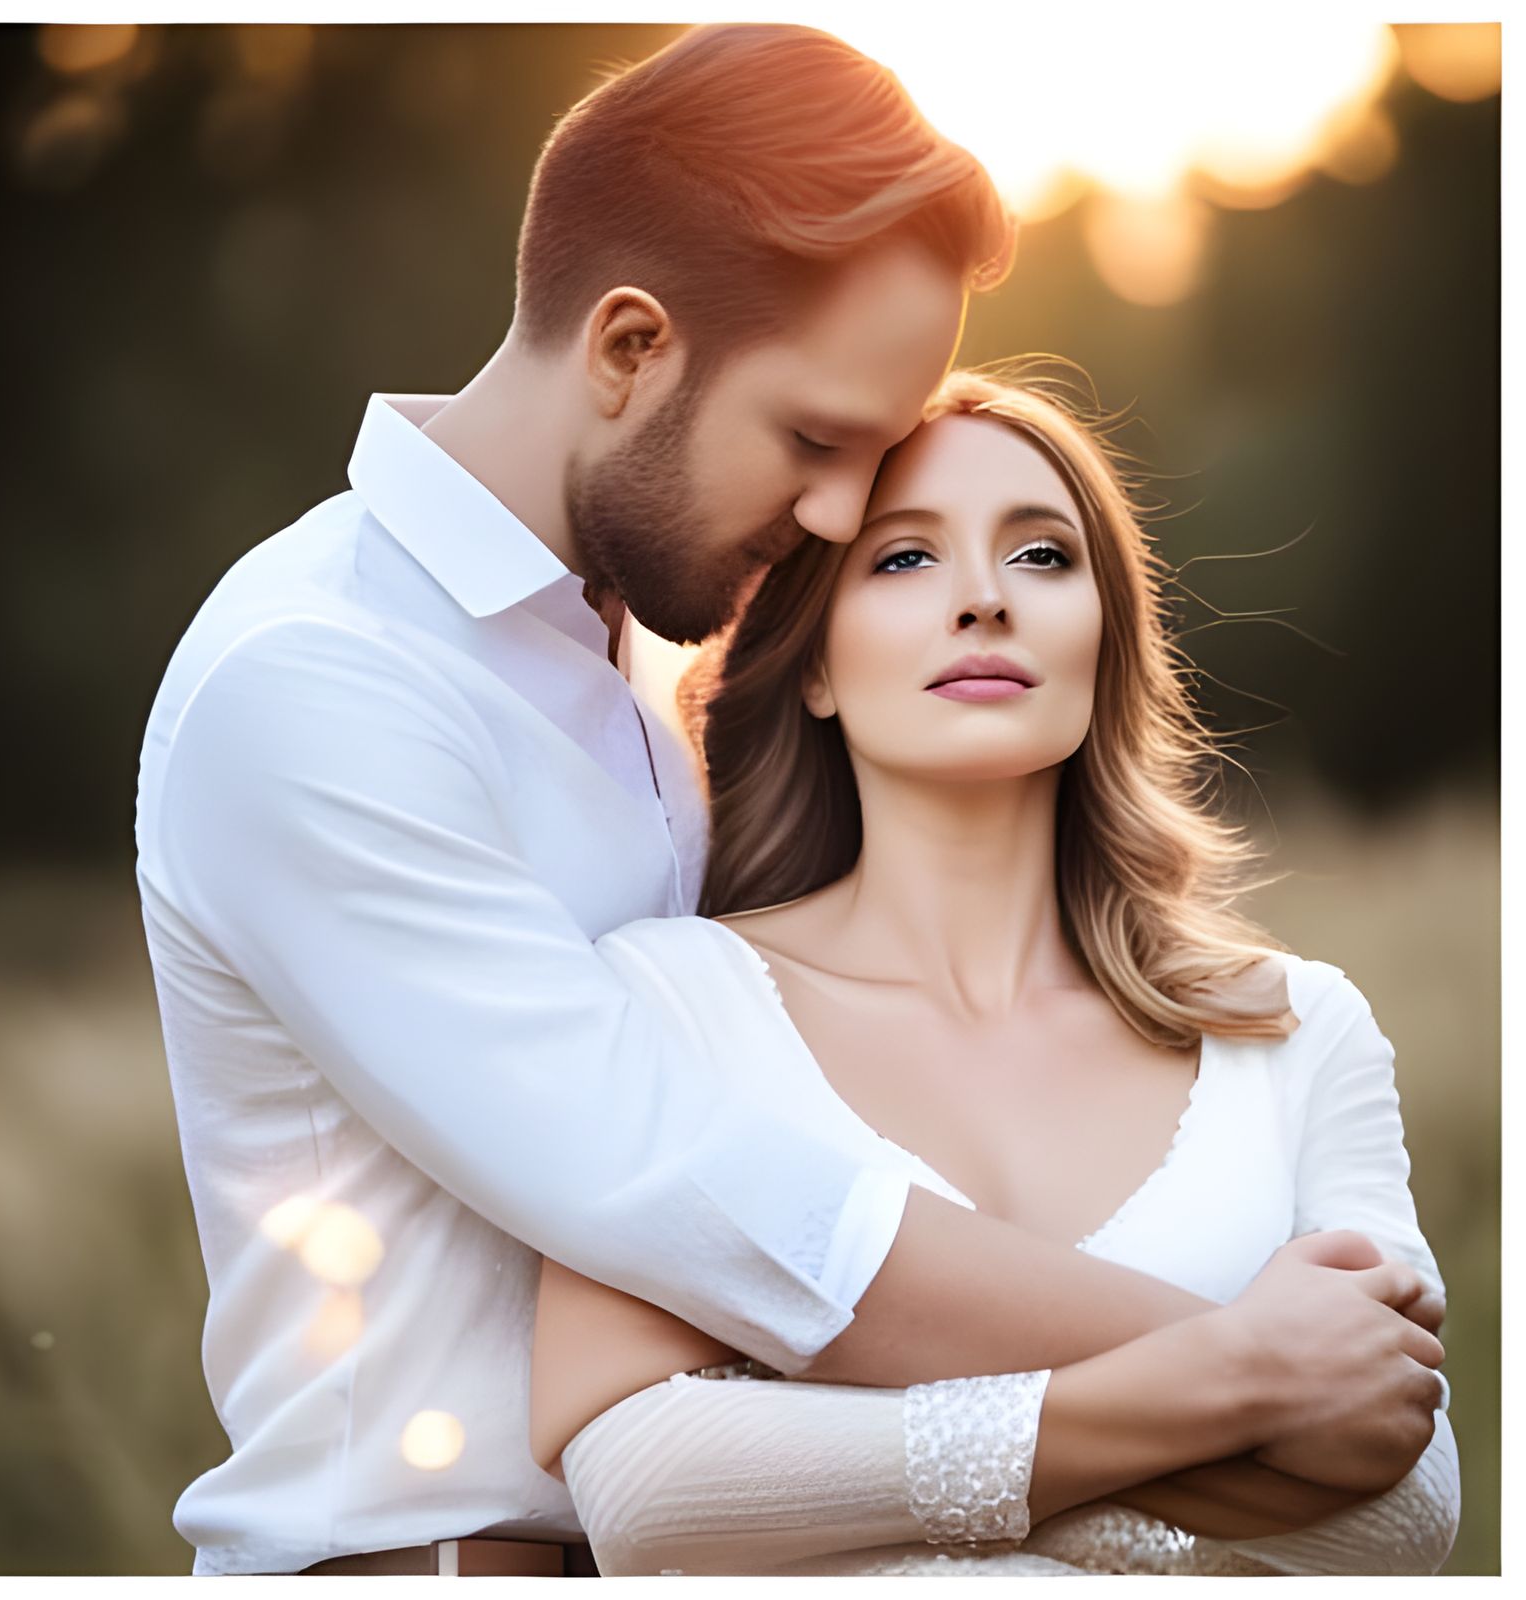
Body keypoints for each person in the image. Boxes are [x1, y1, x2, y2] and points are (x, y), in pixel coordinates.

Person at [135, 23, 1443, 1579]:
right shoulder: (320, 681)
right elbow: (699, 1196)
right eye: (817, 443)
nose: (835, 512)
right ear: (629, 347)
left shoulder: (618, 658)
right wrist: (1249, 1371)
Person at [528, 365, 1460, 1575]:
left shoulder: (1295, 1030)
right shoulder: (670, 1000)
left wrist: (859, 1464)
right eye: (904, 559)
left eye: (1042, 556)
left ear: (1103, 636)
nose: (982, 599)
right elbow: (650, 1489)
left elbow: (1407, 1507)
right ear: (810, 661)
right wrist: (1227, 1378)